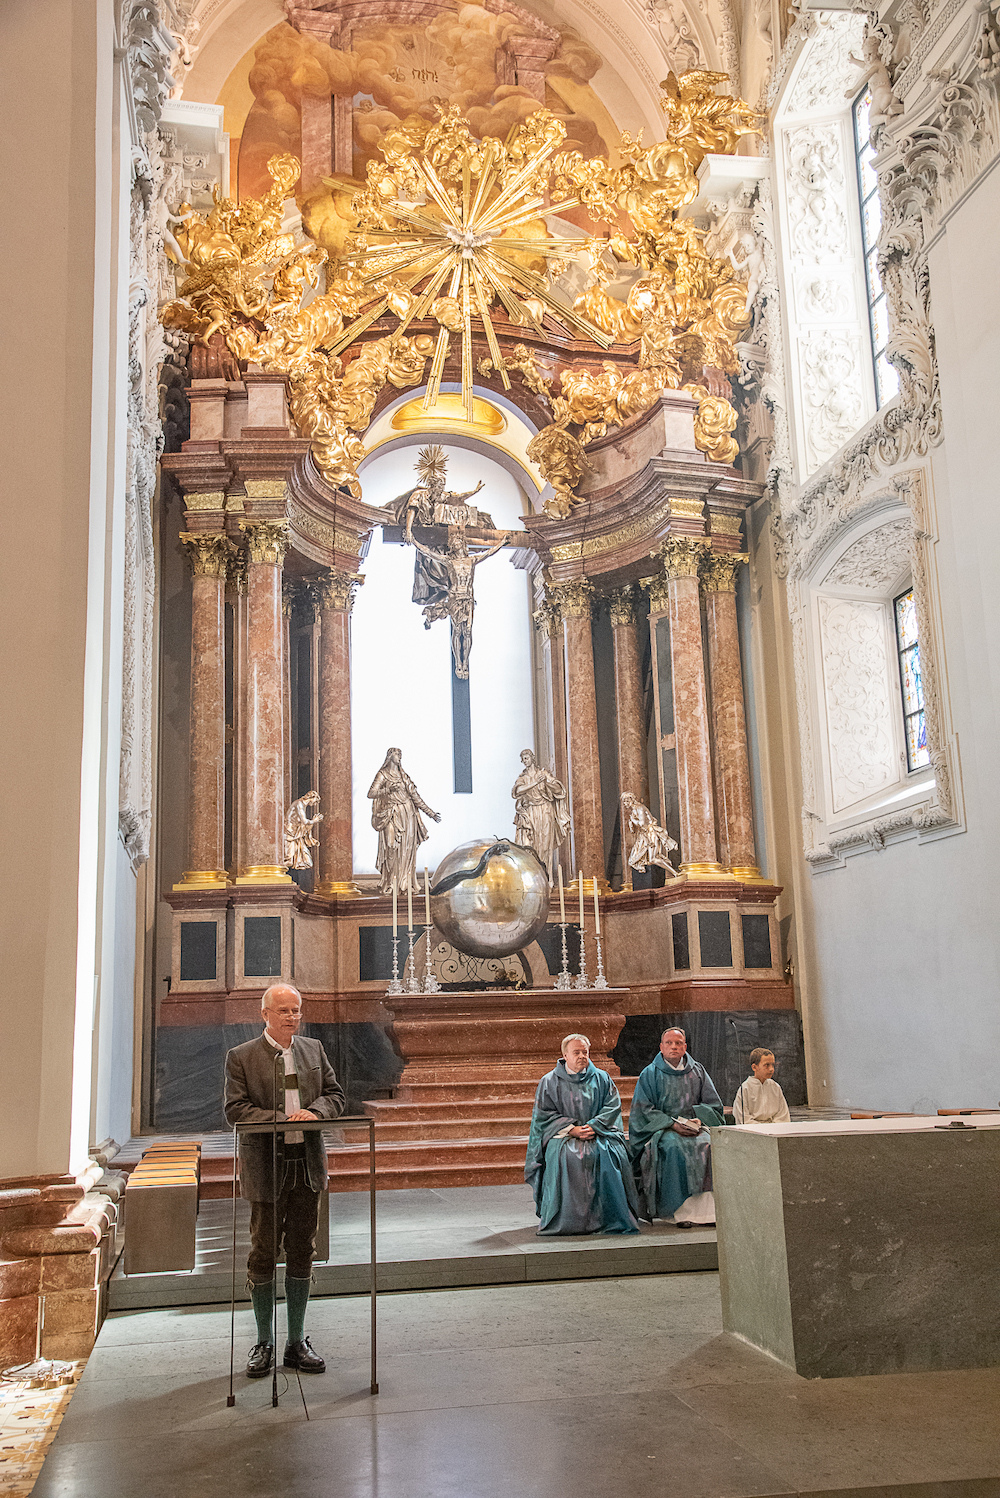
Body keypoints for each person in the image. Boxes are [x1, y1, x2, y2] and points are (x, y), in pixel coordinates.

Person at [224, 983, 346, 1380]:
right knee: (263, 1251)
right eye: (284, 1011)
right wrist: (275, 1120)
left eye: (296, 1010)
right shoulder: (241, 1057)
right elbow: (235, 1110)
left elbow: (335, 1095)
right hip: (267, 1167)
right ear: (265, 1014)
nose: (292, 1017)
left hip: (306, 1164)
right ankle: (264, 1341)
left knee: (302, 1249)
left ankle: (295, 1341)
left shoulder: (314, 1050)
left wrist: (316, 1111)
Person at [525, 1034, 641, 1236]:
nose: (581, 1056)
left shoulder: (602, 1078)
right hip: (564, 1137)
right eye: (576, 1052)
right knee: (568, 1157)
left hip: (599, 1134)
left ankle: (611, 1219)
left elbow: (612, 1106)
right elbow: (543, 1115)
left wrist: (595, 1126)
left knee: (609, 1154)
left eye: (584, 1052)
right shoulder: (549, 1082)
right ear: (565, 1055)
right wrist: (571, 1128)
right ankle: (569, 1221)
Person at [628, 1027, 724, 1226]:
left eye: (678, 1043)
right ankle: (679, 1213)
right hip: (664, 1131)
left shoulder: (697, 1071)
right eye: (669, 1043)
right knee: (673, 1148)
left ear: (685, 1047)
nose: (674, 1047)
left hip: (695, 1128)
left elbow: (713, 1104)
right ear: (661, 1047)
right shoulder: (650, 1074)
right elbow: (643, 1110)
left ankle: (708, 1213)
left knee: (709, 1145)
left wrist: (700, 1119)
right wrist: (671, 1124)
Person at [367, 746, 441, 893]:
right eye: (396, 753)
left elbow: (416, 797)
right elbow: (371, 793)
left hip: (408, 814)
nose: (399, 756)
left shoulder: (404, 777)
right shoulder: (383, 774)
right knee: (391, 846)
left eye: (400, 754)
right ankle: (390, 882)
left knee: (407, 850)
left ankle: (404, 883)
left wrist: (430, 813)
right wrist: (388, 790)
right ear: (390, 756)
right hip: (390, 814)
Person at [512, 748, 569, 876]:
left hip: (545, 811)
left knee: (545, 845)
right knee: (530, 846)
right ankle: (533, 879)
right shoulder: (523, 777)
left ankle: (547, 877)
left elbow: (559, 790)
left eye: (527, 758)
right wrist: (535, 783)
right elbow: (517, 791)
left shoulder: (543, 774)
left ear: (532, 758)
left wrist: (546, 782)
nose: (525, 761)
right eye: (523, 759)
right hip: (530, 812)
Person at [733, 1047, 791, 1124]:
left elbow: (783, 1115)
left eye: (773, 1065)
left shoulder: (775, 1087)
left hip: (774, 1129)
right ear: (754, 1067)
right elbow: (743, 1118)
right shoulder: (745, 1088)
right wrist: (762, 1128)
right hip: (753, 1131)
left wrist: (772, 1128)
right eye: (766, 1065)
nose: (771, 1069)